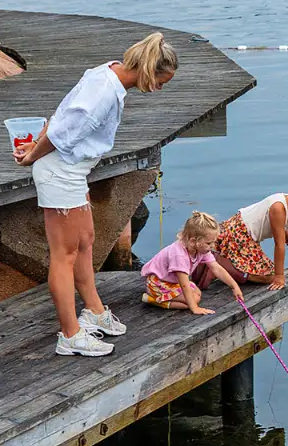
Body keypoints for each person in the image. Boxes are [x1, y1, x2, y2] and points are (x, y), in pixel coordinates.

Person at [14, 31, 178, 356]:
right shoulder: (104, 92)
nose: (159, 89)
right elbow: (62, 133)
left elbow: (64, 110)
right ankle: (70, 334)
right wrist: (33, 154)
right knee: (65, 254)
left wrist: (41, 142)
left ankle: (94, 310)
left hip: (74, 170)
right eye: (161, 82)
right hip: (60, 171)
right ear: (148, 69)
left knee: (86, 239)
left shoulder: (110, 72)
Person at [213, 185, 288, 290]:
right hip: (238, 236)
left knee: (268, 271)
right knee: (269, 277)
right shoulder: (278, 208)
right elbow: (279, 245)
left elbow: (279, 224)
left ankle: (226, 262)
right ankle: (222, 263)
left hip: (244, 236)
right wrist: (279, 276)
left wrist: (287, 233)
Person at [141, 211, 245, 312]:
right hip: (158, 284)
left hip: (171, 282)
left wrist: (234, 286)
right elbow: (184, 284)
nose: (212, 246)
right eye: (209, 243)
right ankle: (153, 300)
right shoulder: (179, 255)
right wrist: (195, 308)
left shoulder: (200, 249)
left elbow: (216, 268)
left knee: (198, 293)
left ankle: (162, 298)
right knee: (194, 300)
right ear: (193, 241)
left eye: (213, 242)